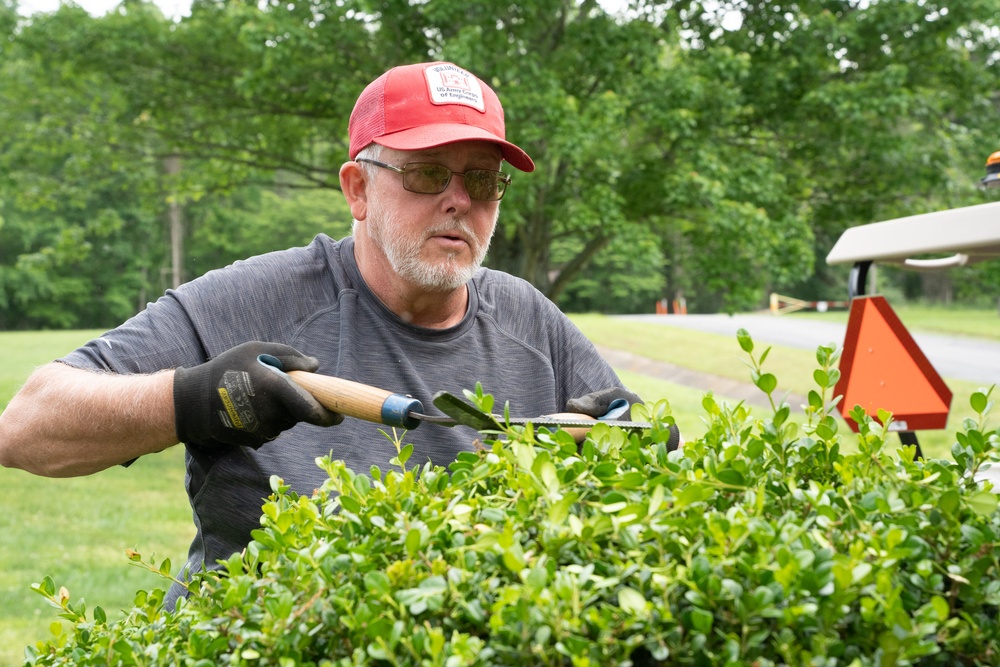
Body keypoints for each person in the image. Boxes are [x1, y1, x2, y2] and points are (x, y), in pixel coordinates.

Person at [0, 61, 669, 607]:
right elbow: (26, 426)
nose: (459, 200)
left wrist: (633, 436)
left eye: (483, 180)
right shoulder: (256, 298)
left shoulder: (527, 317)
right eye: (428, 173)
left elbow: (632, 441)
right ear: (357, 189)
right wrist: (196, 399)